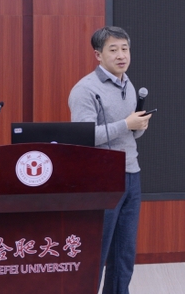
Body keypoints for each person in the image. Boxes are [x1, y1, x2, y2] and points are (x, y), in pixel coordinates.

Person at [68, 26, 152, 294]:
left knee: (124, 254)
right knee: (97, 252)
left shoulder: (128, 84)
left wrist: (138, 126)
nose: (121, 55)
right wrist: (126, 124)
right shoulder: (85, 90)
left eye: (125, 49)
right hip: (101, 178)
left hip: (131, 173)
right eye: (113, 50)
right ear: (98, 55)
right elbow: (84, 137)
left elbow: (130, 135)